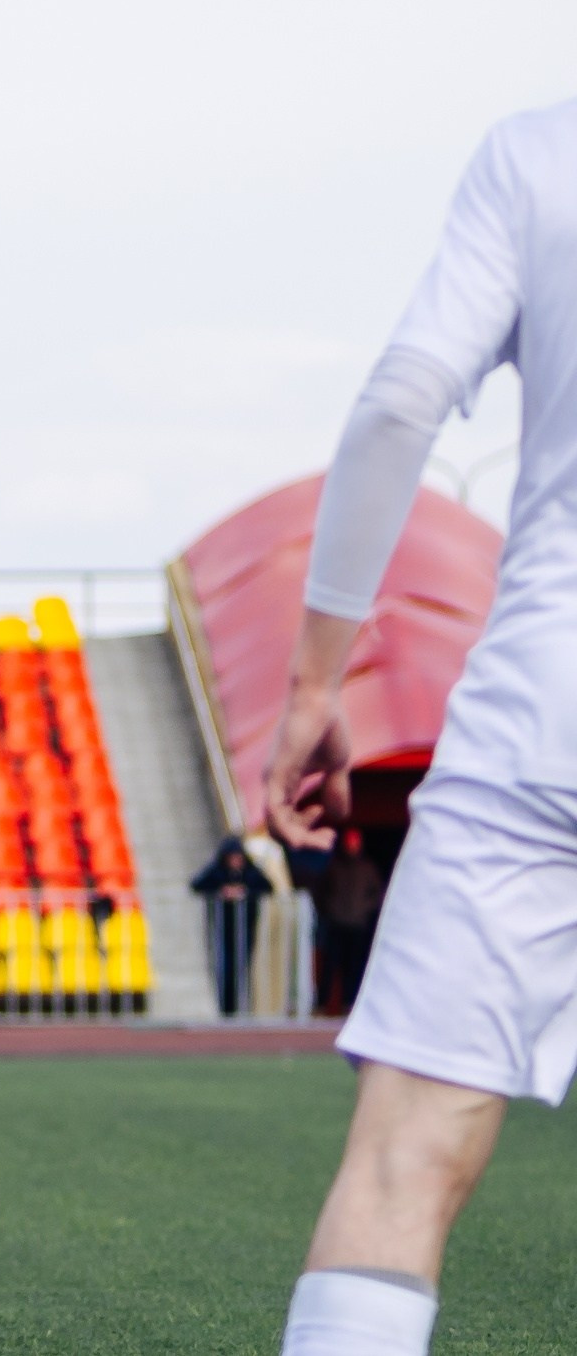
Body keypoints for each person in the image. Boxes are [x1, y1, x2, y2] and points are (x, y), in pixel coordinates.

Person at [262, 96, 577, 1356]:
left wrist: (310, 688)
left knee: (401, 1165)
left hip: (536, 725)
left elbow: (400, 403)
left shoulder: (538, 152)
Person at [190, 835, 273, 1017]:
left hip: (245, 928)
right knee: (224, 968)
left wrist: (245, 893)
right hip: (222, 928)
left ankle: (242, 1006)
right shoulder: (217, 871)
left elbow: (267, 886)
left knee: (242, 967)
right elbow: (197, 884)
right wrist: (221, 892)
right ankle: (225, 1009)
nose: (235, 861)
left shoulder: (250, 872)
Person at [315, 828, 386, 1016]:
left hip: (357, 924)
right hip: (336, 923)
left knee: (354, 967)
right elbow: (322, 892)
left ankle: (350, 1005)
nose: (352, 847)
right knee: (330, 966)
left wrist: (364, 910)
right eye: (349, 843)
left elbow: (377, 895)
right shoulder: (334, 867)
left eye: (355, 843)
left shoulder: (368, 868)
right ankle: (321, 1006)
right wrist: (330, 909)